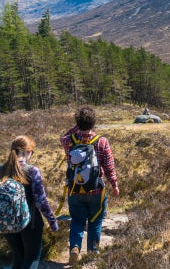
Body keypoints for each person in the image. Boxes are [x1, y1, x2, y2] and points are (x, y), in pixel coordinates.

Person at [0, 135, 59, 269]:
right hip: (31, 223)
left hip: (5, 222)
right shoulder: (32, 171)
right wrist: (52, 222)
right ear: (29, 152)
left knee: (18, 257)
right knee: (31, 259)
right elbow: (41, 200)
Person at [60, 107, 119, 265]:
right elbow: (109, 166)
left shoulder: (69, 140)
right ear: (94, 123)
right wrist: (114, 184)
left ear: (77, 123)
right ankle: (92, 252)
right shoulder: (101, 141)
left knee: (77, 220)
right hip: (96, 190)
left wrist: (76, 127)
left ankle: (75, 248)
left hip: (75, 189)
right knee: (95, 221)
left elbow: (63, 137)